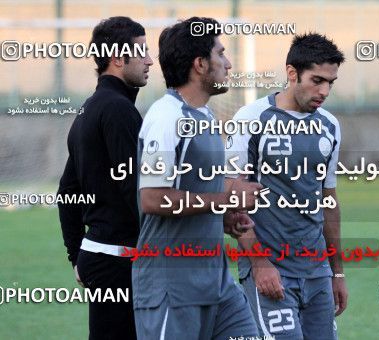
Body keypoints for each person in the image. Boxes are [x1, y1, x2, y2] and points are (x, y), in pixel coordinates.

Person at [132, 17, 260, 339]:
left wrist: (226, 214)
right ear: (200, 64)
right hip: (171, 290)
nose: (228, 64)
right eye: (221, 54)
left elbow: (201, 186)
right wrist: (227, 200)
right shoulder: (165, 117)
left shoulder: (204, 116)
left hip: (217, 285)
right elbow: (153, 198)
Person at [225, 33, 347, 339]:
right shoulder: (251, 119)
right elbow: (232, 198)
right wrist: (259, 263)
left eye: (331, 82)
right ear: (292, 73)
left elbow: (328, 199)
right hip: (271, 268)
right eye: (317, 80)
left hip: (317, 270)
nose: (324, 90)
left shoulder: (329, 126)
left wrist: (338, 271)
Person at [57, 16, 153, 340]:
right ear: (117, 58)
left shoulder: (89, 109)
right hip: (118, 262)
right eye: (141, 52)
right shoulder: (118, 110)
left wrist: (76, 255)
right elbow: (135, 193)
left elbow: (66, 192)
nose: (149, 60)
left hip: (99, 259)